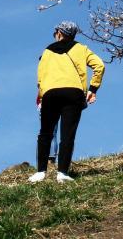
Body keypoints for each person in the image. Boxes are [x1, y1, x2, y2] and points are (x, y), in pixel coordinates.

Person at [30, 20, 105, 183]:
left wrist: (43, 94)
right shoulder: (82, 49)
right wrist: (93, 89)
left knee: (45, 133)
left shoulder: (47, 51)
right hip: (73, 93)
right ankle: (62, 173)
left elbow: (40, 76)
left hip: (50, 93)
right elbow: (99, 65)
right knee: (67, 134)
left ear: (59, 33)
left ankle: (40, 172)